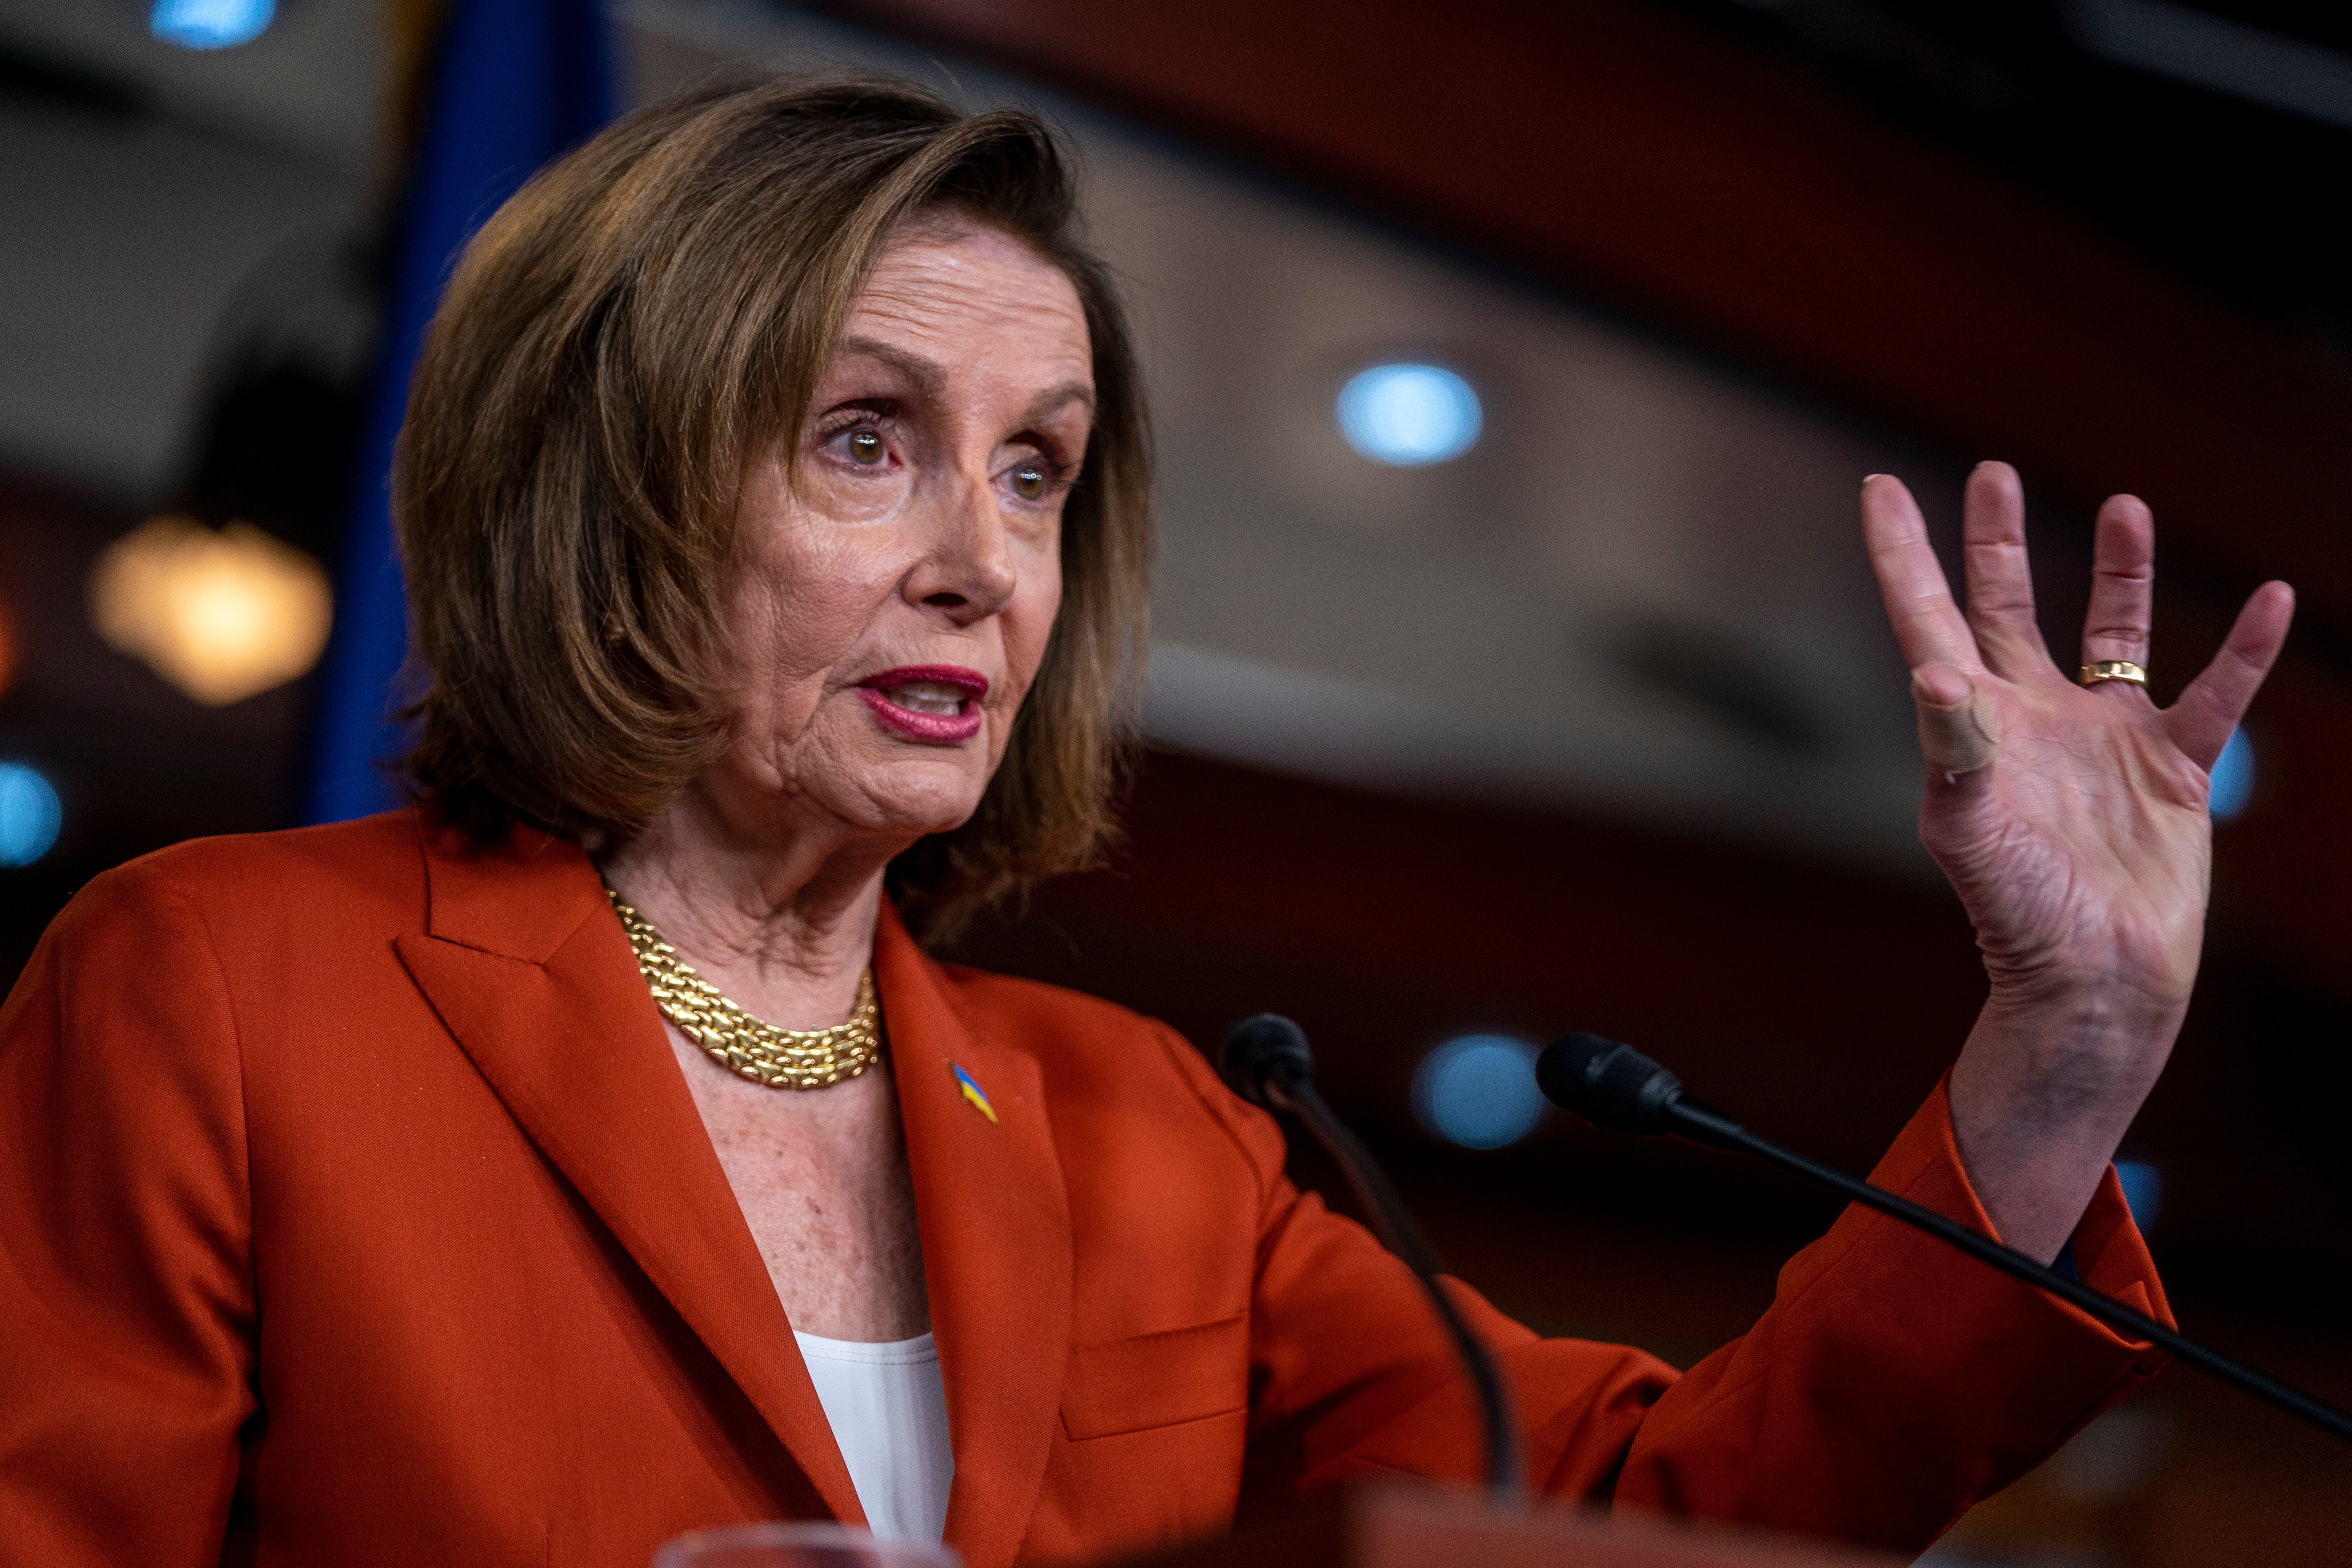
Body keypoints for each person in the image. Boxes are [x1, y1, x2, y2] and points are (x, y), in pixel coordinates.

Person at [0, 75, 2294, 1568]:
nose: (987, 564)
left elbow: (1663, 1514)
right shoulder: (222, 984)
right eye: (867, 439)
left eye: (1039, 468)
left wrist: (2066, 1039)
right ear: (613, 486)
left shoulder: (1156, 1134)